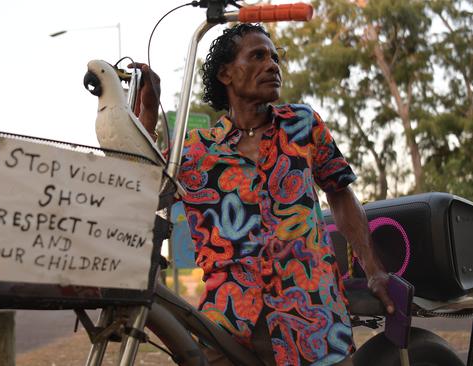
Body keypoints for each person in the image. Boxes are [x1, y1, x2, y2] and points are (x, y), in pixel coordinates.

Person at [136, 23, 394, 366]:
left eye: (275, 58)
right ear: (226, 74)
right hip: (228, 324)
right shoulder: (195, 152)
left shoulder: (302, 124)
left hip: (313, 320)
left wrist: (373, 269)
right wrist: (148, 116)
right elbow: (140, 192)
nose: (273, 65)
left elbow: (340, 193)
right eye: (258, 56)